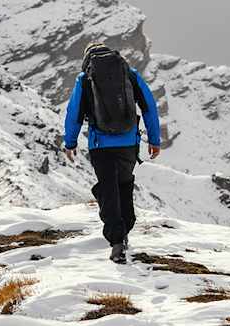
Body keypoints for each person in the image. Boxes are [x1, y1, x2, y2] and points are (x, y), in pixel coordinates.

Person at [63, 42, 161, 263]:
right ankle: (125, 229)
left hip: (100, 145)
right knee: (123, 185)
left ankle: (117, 241)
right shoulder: (129, 73)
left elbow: (74, 113)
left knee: (107, 188)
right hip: (128, 144)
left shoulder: (84, 79)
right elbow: (149, 107)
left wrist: (70, 142)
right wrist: (154, 140)